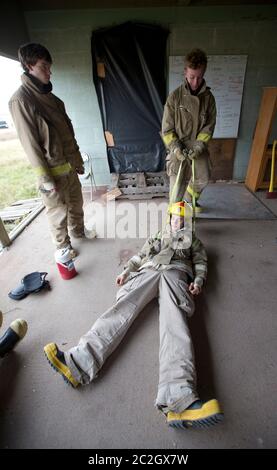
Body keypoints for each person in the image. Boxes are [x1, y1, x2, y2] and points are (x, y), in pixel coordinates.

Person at [44, 201, 223, 429]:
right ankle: (77, 362)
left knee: (175, 323)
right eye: (175, 218)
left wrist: (198, 281)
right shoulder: (159, 236)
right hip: (150, 270)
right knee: (123, 308)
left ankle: (179, 399)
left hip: (176, 274)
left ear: (189, 221)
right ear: (169, 219)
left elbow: (200, 262)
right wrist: (127, 270)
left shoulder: (194, 242)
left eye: (183, 219)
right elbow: (142, 255)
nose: (178, 222)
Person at [9, 43, 95, 257]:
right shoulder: (21, 100)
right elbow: (30, 145)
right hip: (51, 172)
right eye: (43, 67)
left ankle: (78, 232)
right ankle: (63, 247)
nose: (49, 72)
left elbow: (68, 134)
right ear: (29, 66)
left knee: (76, 204)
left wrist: (77, 161)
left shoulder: (54, 100)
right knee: (58, 212)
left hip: (69, 167)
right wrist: (46, 179)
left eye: (49, 66)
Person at [162, 48, 216, 212]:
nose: (195, 82)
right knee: (176, 186)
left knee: (203, 177)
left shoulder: (209, 98)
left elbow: (208, 127)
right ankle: (176, 221)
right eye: (192, 77)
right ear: (185, 72)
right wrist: (176, 149)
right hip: (178, 147)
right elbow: (167, 130)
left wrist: (199, 146)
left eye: (199, 77)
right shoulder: (174, 97)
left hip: (198, 146)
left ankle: (189, 200)